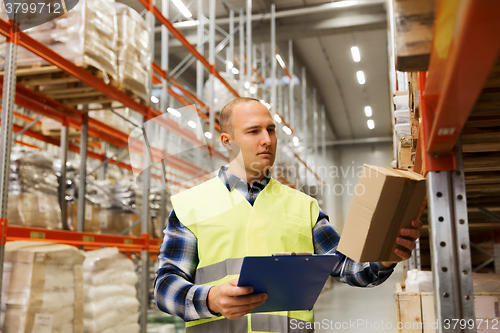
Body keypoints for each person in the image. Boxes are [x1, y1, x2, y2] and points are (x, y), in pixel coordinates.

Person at [154, 97, 422, 333]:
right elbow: (165, 288)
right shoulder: (191, 205)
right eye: (253, 131)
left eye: (271, 129)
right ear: (227, 141)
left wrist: (386, 259)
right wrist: (209, 299)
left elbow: (347, 266)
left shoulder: (303, 206)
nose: (267, 140)